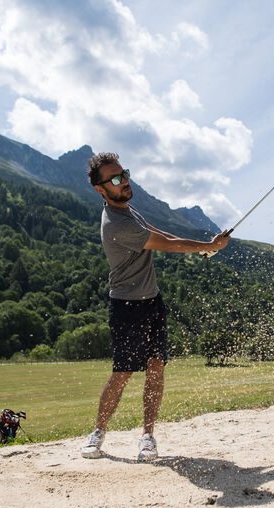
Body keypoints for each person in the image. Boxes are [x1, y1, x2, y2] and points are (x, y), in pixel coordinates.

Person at [81, 152, 230, 461]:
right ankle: (98, 432)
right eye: (116, 179)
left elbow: (163, 235)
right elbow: (168, 246)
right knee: (122, 373)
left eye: (125, 174)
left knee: (155, 369)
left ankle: (148, 436)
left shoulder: (129, 210)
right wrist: (208, 246)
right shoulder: (115, 224)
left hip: (152, 304)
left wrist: (204, 249)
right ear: (100, 189)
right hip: (126, 307)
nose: (125, 182)